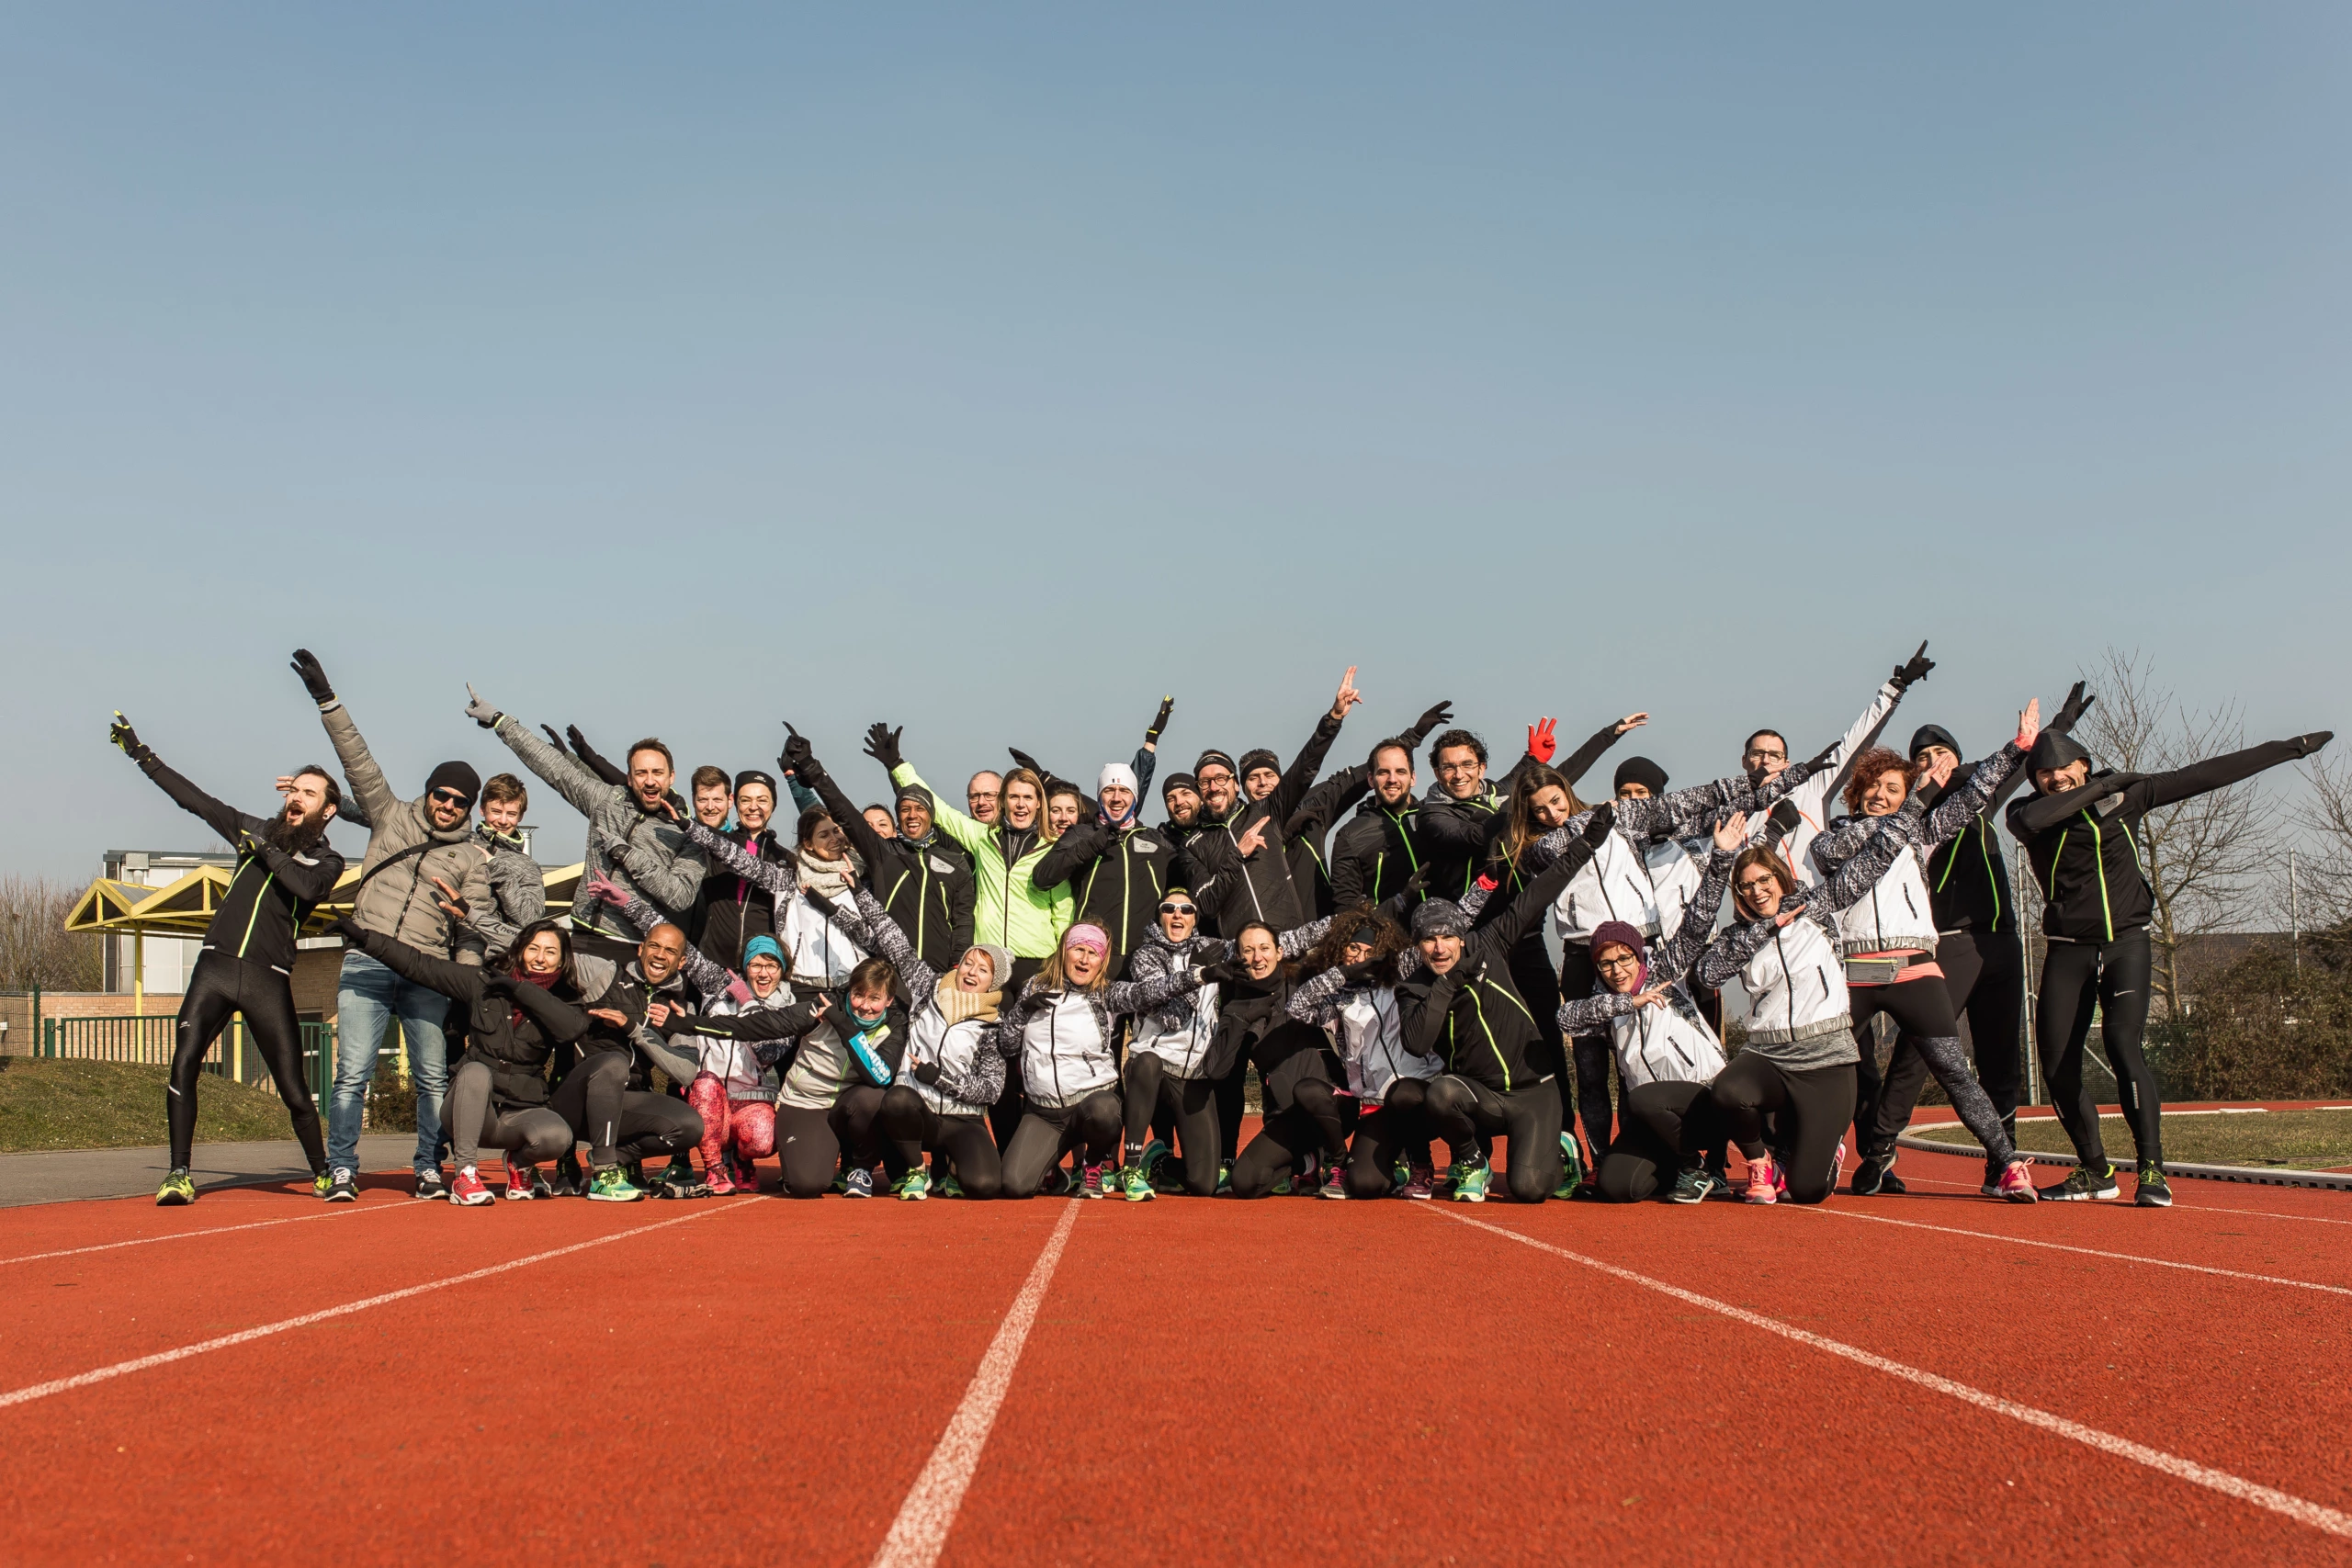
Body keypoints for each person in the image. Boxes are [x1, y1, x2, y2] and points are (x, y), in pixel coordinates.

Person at [2010, 722, 2332, 1205]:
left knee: (2122, 1045)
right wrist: (2102, 786)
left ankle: (2153, 1171)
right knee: (2057, 1066)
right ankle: (2096, 1171)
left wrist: (2290, 749)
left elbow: (2205, 774)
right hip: (2067, 948)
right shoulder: (2027, 811)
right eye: (2044, 773)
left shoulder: (2128, 797)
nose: (2055, 778)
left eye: (2064, 769)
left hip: (2126, 943)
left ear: (2083, 764)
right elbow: (2034, 822)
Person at [1688, 755, 1988, 1206]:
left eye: (1765, 880)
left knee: (1810, 1190)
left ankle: (1997, 1161)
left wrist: (2013, 754)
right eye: (1746, 886)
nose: (1757, 890)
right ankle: (1764, 1162)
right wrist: (1733, 871)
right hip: (1810, 1016)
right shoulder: (1747, 929)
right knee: (1736, 1091)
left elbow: (1890, 849)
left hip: (1889, 987)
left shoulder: (1819, 906)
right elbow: (1708, 970)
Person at [1858, 683, 2095, 1195]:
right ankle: (1878, 1152)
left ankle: (2001, 1160)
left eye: (1941, 752)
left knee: (1999, 1055)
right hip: (1949, 941)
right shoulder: (1909, 819)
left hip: (2002, 940)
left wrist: (2062, 724)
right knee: (1920, 1051)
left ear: (1961, 761)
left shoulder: (1977, 801)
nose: (1932, 761)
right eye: (1920, 757)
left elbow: (2022, 757)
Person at [109, 714, 345, 1206]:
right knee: (183, 1065)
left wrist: (266, 849)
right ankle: (178, 1174)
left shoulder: (327, 862)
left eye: (308, 793)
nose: (295, 798)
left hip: (267, 979)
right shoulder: (252, 828)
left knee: (294, 1091)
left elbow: (304, 888)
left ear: (328, 810)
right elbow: (194, 800)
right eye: (293, 790)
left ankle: (324, 1173)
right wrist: (141, 754)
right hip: (214, 969)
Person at [1815, 713, 2047, 1203]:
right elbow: (1850, 848)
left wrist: (2017, 748)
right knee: (1825, 1065)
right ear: (1855, 794)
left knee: (1953, 1069)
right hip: (1855, 971)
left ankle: (2006, 1164)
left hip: (1913, 966)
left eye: (1895, 789)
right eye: (1873, 787)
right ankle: (1817, 1150)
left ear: (1907, 796)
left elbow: (1971, 798)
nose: (1882, 795)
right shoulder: (1832, 839)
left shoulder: (1919, 834)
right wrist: (1909, 808)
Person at [291, 649, 492, 1202]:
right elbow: (355, 758)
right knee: (352, 1073)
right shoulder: (390, 814)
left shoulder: (474, 859)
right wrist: (326, 699)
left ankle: (428, 1166)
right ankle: (342, 1168)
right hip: (367, 963)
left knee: (432, 1078)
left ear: (469, 808)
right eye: (442, 794)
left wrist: (467, 982)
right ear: (428, 791)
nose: (448, 805)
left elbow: (474, 932)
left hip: (427, 972)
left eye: (459, 801)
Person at [1401, 807, 1616, 1203]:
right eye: (1429, 939)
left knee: (1529, 1191)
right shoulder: (1414, 987)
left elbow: (1537, 894)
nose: (1439, 946)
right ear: (1418, 946)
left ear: (1462, 938)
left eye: (1448, 936)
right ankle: (1472, 1160)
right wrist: (1447, 985)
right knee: (1440, 1094)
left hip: (1534, 1093)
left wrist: (1585, 844)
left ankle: (1560, 1147)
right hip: (1483, 1098)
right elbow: (1416, 1043)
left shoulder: (1490, 945)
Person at [331, 917, 590, 1205]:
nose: (540, 958)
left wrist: (521, 990)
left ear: (562, 960)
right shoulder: (482, 982)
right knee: (475, 1071)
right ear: (520, 950)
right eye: (533, 948)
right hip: (469, 1111)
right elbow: (420, 965)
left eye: (550, 952)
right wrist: (367, 938)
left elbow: (572, 1028)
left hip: (519, 1113)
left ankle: (520, 1164)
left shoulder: (567, 1000)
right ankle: (465, 1173)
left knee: (557, 1137)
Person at [1564, 814, 1748, 1203]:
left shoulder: (1666, 971)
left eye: (1624, 958)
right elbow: (1565, 1016)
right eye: (1606, 963)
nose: (1617, 969)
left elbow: (1698, 923)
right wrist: (1628, 1002)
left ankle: (1700, 1166)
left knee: (1643, 1098)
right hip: (1654, 1117)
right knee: (1618, 1187)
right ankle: (1680, 1165)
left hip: (1703, 1101)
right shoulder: (1605, 1003)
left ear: (1639, 955)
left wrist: (1722, 859)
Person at [466, 687, 707, 959]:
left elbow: (680, 897)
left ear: (671, 776)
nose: (649, 780)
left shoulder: (688, 834)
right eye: (641, 772)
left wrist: (629, 855)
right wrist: (500, 721)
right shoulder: (606, 801)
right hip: (582, 938)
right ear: (630, 777)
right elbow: (553, 767)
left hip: (635, 945)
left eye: (657, 772)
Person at [989, 923, 1210, 1198]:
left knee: (1105, 1111)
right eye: (1078, 950)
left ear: (1102, 961)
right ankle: (1053, 1170)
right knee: (1014, 1185)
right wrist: (1022, 1010)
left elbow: (1149, 991)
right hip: (1044, 1114)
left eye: (1094, 953)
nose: (1084, 959)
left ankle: (1093, 1163)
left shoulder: (1106, 994)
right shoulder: (1034, 987)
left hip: (1090, 1105)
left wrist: (1197, 976)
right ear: (1063, 953)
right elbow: (1006, 1046)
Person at [851, 886, 1013, 1200]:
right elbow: (893, 939)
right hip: (917, 1111)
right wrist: (859, 891)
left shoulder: (994, 1025)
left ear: (992, 982)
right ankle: (916, 1170)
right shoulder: (928, 986)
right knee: (896, 1099)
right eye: (968, 963)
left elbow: (991, 1089)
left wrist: (939, 1078)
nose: (971, 972)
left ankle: (952, 1168)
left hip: (963, 1118)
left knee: (985, 1186)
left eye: (983, 970)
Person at [1184, 668, 1362, 937]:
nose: (1213, 787)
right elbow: (1206, 905)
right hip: (1241, 953)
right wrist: (1237, 856)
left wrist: (1334, 718)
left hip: (1290, 943)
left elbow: (1304, 768)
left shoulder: (1265, 813)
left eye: (1220, 778)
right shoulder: (1192, 844)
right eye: (1204, 782)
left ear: (1234, 783)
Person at [543, 921, 710, 1201]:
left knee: (690, 1127)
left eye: (670, 951)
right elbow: (547, 950)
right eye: (654, 946)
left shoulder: (682, 1008)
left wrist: (636, 1031)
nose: (659, 955)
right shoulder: (604, 973)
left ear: (681, 962)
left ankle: (614, 1158)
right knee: (613, 1062)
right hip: (577, 1102)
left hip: (625, 1102)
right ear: (641, 949)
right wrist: (472, 916)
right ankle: (601, 1170)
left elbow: (687, 1072)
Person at [1286, 902, 1443, 1199]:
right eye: (1353, 950)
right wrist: (1344, 973)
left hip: (1422, 1093)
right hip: (1376, 1103)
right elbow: (1297, 1006)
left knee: (1408, 1093)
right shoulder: (1338, 999)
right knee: (1364, 1185)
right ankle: (1391, 1168)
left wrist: (1485, 884)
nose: (1362, 958)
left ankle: (1425, 1162)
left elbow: (1443, 936)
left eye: (1369, 952)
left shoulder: (1403, 976)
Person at [1740, 643, 1933, 881]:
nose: (1766, 760)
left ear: (1786, 763)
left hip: (1814, 910)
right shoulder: (1735, 813)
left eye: (1775, 755)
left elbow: (1853, 744)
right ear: (1744, 761)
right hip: (1763, 911)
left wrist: (1896, 687)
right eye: (1757, 753)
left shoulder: (1810, 790)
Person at [788, 731, 976, 976]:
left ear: (931, 816)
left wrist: (956, 967)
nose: (912, 815)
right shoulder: (883, 853)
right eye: (905, 809)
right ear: (898, 817)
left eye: (920, 809)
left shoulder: (954, 862)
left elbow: (963, 922)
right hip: (888, 972)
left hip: (938, 973)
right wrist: (810, 766)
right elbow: (843, 810)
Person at [689, 769, 786, 972]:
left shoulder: (784, 858)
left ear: (774, 805)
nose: (753, 807)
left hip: (760, 966)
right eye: (745, 800)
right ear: (735, 803)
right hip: (713, 959)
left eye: (762, 800)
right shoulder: (718, 843)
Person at [463, 773, 546, 963]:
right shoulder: (462, 843)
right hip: (447, 950)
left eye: (511, 814)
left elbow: (529, 919)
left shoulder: (528, 866)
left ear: (521, 816)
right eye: (496, 812)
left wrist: (496, 868)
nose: (502, 821)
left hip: (494, 960)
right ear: (482, 810)